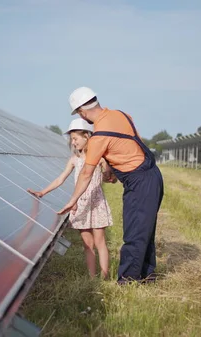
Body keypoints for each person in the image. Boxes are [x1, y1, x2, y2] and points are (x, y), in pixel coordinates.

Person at [58, 87, 164, 285]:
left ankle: (128, 282)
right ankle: (147, 277)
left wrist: (73, 200)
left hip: (139, 181)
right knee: (145, 230)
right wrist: (113, 171)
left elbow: (86, 173)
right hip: (153, 175)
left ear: (82, 111)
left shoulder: (99, 136)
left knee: (134, 233)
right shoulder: (122, 115)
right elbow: (132, 145)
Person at [27, 118, 115, 279]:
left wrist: (107, 171)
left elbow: (110, 176)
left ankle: (104, 276)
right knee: (87, 245)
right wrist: (42, 192)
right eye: (71, 140)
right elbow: (60, 179)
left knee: (100, 242)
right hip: (80, 204)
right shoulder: (74, 160)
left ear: (87, 136)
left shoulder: (99, 159)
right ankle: (92, 277)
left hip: (96, 204)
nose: (73, 143)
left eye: (75, 139)